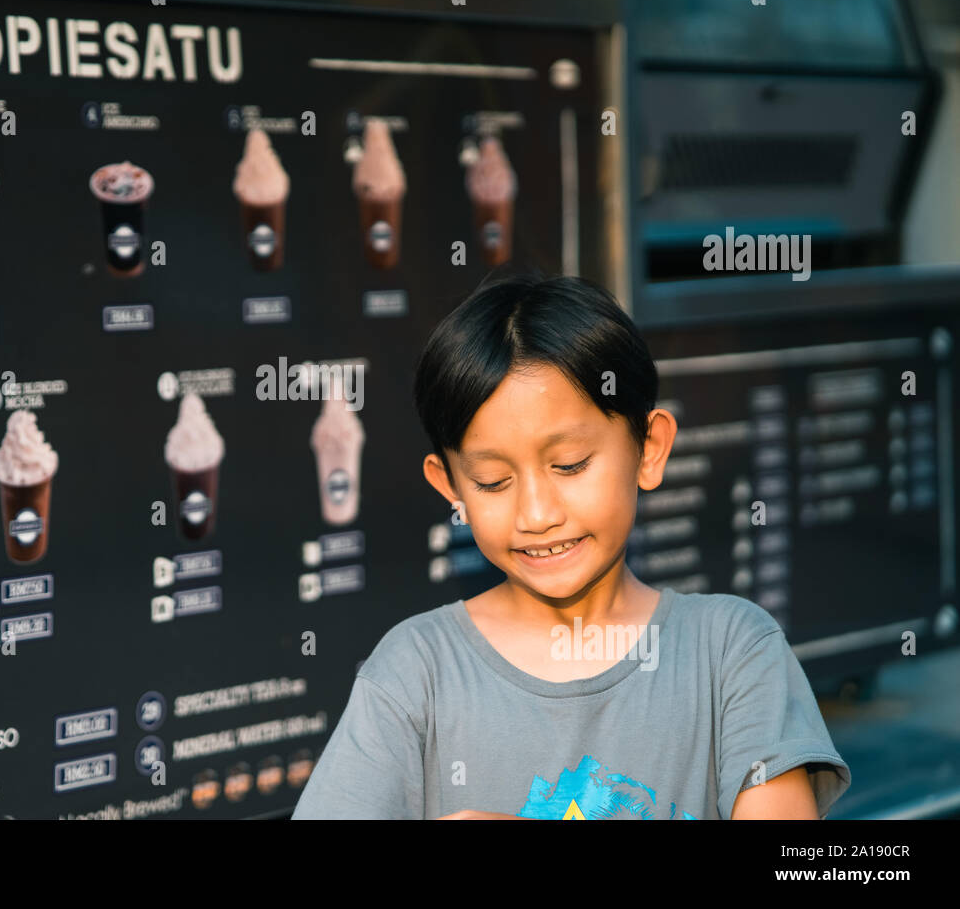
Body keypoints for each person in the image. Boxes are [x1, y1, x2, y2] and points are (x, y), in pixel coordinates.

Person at [291, 263, 850, 819]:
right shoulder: (414, 677)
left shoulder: (732, 654)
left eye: (570, 464)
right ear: (450, 486)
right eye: (492, 482)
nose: (536, 514)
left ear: (649, 449)